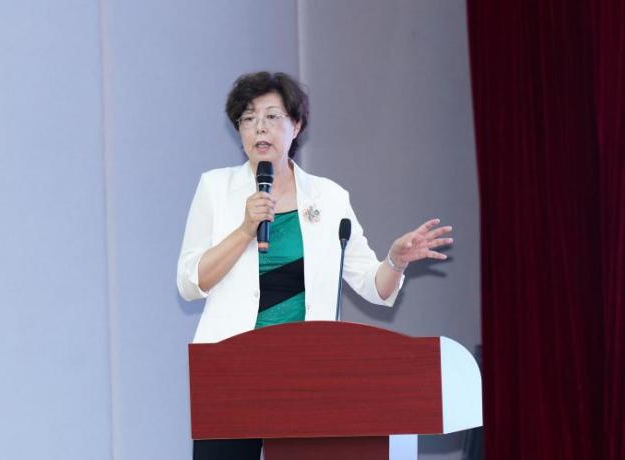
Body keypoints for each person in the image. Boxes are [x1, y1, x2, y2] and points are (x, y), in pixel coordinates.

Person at [177, 71, 453, 460]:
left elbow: (374, 286)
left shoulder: (329, 197)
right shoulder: (215, 189)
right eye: (248, 118)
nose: (259, 127)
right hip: (231, 371)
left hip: (305, 374)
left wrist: (396, 260)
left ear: (296, 125)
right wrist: (244, 230)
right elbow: (190, 283)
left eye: (272, 116)